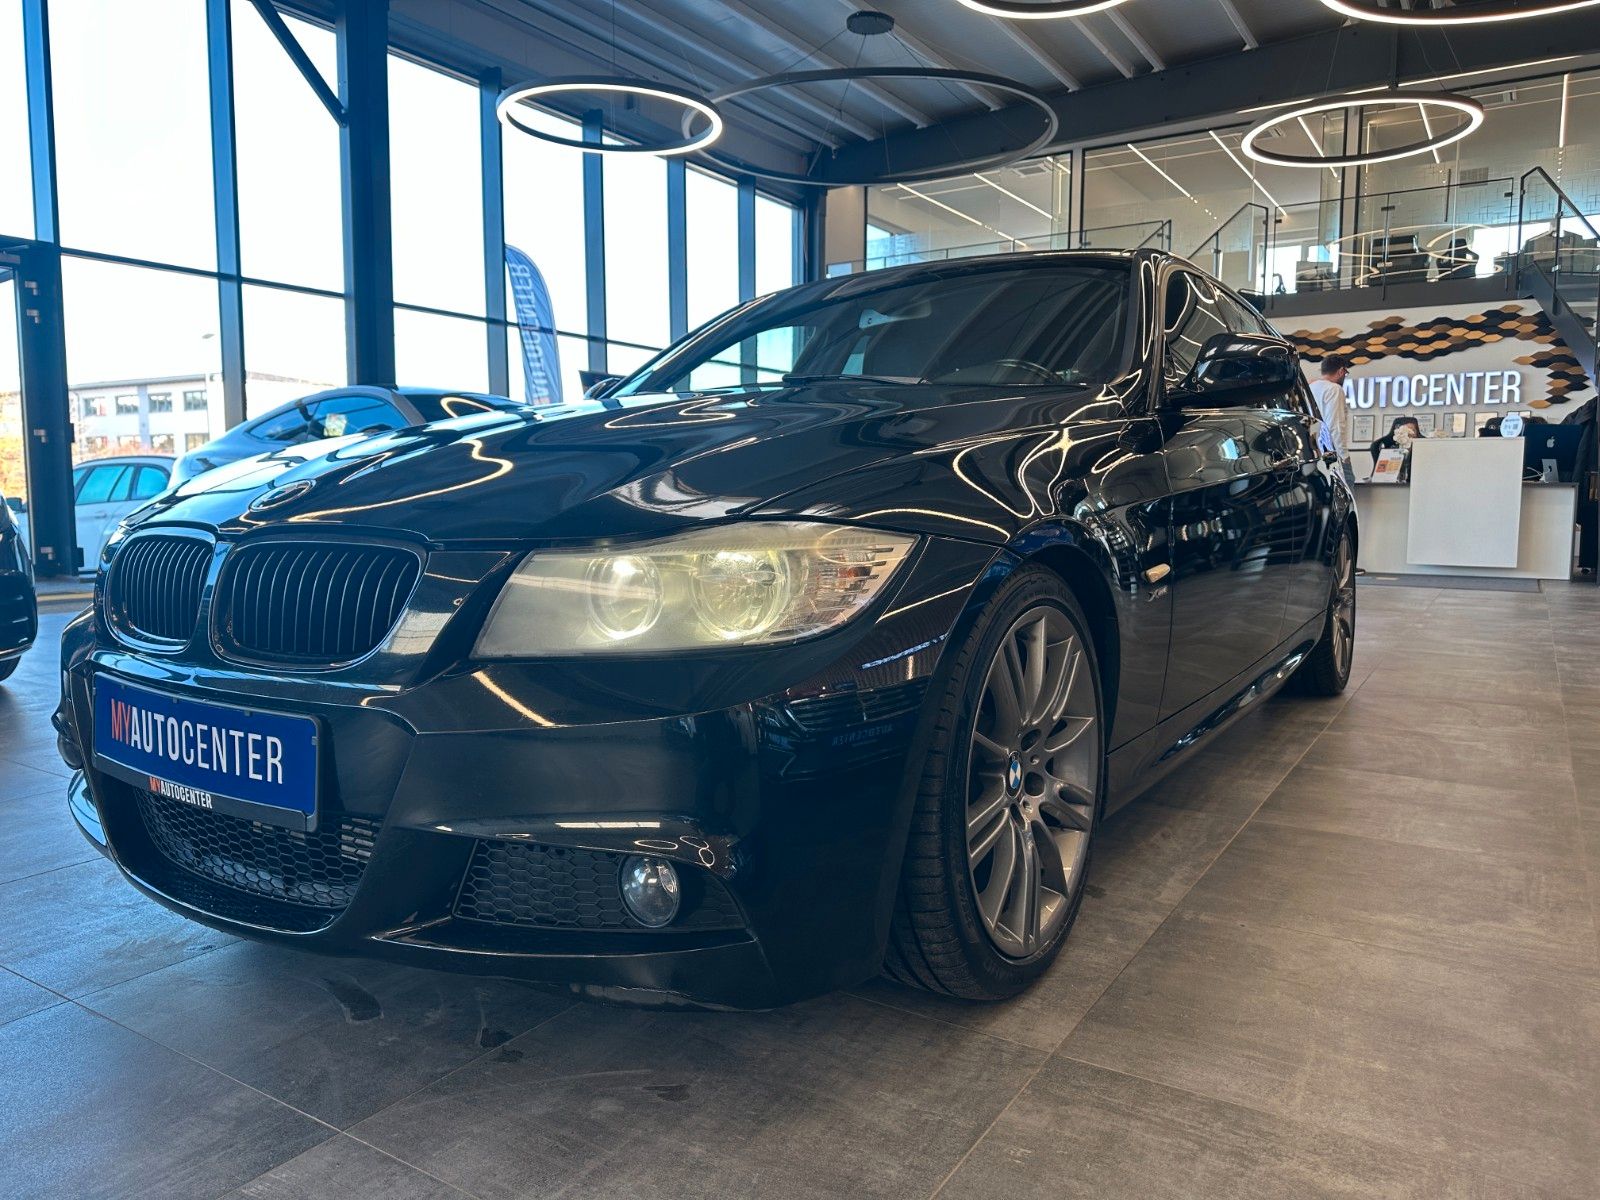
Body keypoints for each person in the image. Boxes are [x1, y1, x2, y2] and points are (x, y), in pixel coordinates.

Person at [1310, 355, 1356, 489]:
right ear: (1341, 371)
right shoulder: (1334, 389)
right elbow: (1335, 426)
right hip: (1332, 456)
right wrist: (1344, 456)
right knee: (1346, 491)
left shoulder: (1310, 387)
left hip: (1314, 454)